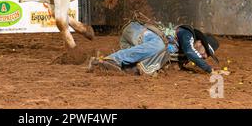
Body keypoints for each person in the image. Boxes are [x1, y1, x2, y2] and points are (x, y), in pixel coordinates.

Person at [88, 18, 222, 76]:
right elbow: (190, 51)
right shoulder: (188, 34)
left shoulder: (183, 55)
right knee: (159, 44)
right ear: (199, 42)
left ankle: (103, 64)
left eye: (208, 56)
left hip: (136, 40)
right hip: (136, 31)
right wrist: (209, 70)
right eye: (206, 52)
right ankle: (113, 59)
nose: (205, 56)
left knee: (156, 57)